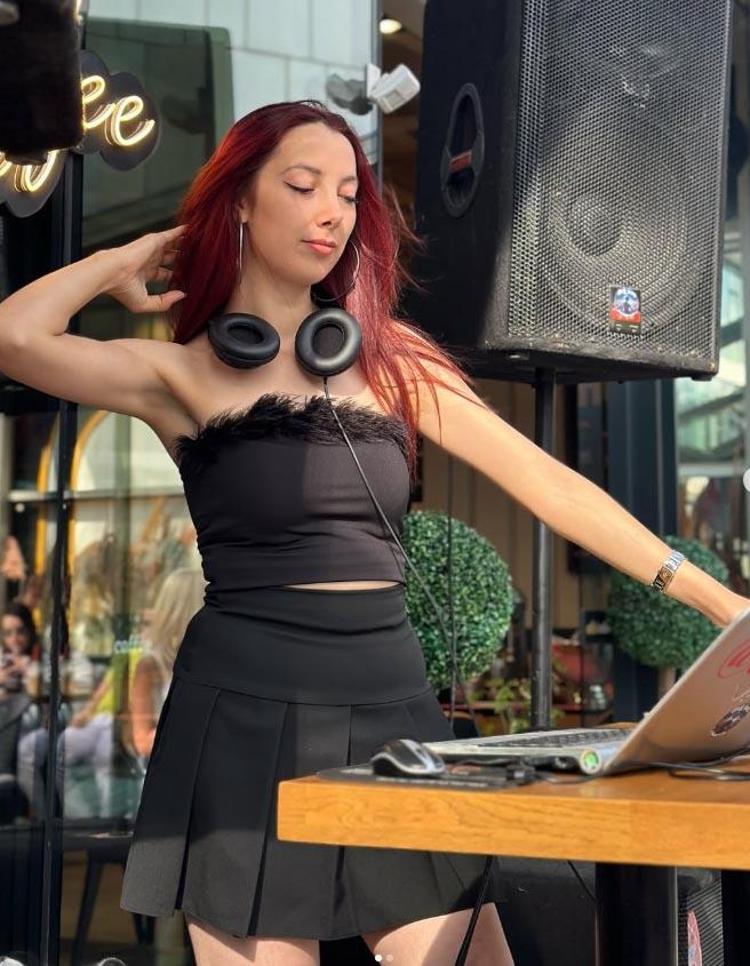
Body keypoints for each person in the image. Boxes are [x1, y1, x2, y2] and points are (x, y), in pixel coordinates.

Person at [0, 99, 746, 966]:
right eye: (302, 185)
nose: (331, 212)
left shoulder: (393, 362)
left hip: (391, 703)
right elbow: (15, 337)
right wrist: (125, 259)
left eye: (348, 195)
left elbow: (549, 484)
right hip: (240, 715)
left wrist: (721, 603)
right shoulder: (177, 375)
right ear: (239, 202)